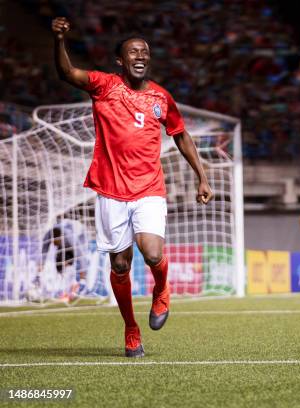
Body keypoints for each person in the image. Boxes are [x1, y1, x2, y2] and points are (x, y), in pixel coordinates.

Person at [52, 17, 213, 357]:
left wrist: (202, 176)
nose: (140, 55)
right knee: (120, 266)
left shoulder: (161, 97)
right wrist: (59, 41)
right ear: (120, 61)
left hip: (149, 188)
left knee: (153, 252)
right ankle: (131, 328)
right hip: (110, 191)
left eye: (145, 52)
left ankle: (162, 290)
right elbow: (68, 73)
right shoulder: (104, 86)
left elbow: (180, 135)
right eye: (132, 52)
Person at [39, 219, 90, 298]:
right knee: (59, 264)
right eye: (52, 242)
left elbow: (81, 256)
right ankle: (65, 289)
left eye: (55, 242)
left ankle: (77, 286)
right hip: (64, 242)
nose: (53, 244)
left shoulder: (71, 237)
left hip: (78, 238)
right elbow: (44, 252)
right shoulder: (48, 236)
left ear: (60, 238)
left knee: (69, 264)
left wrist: (83, 277)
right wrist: (40, 267)